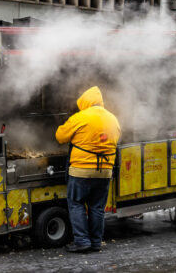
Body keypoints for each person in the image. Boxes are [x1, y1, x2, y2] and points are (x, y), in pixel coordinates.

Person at [55, 86, 121, 253]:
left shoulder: (81, 117)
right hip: (105, 171)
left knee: (76, 204)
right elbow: (116, 139)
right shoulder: (113, 119)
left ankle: (82, 241)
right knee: (97, 207)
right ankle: (96, 242)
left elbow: (60, 136)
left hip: (81, 171)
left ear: (85, 102)